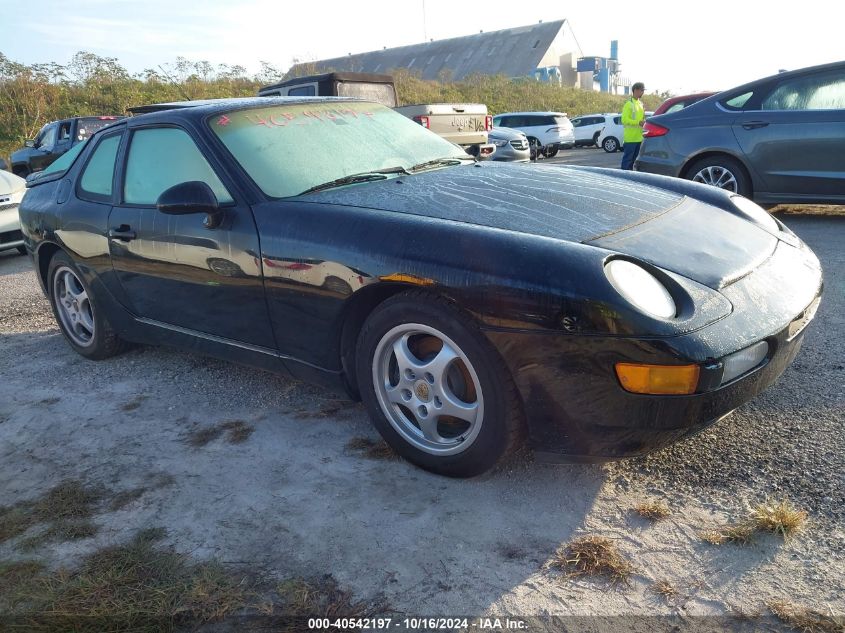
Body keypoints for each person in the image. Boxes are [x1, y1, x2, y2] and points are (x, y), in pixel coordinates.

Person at [620, 82, 646, 170]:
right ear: (636, 90)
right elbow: (624, 120)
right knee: (627, 161)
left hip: (639, 138)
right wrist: (638, 122)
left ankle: (630, 179)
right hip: (630, 138)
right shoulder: (628, 104)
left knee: (634, 161)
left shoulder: (641, 104)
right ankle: (623, 179)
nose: (643, 92)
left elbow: (642, 119)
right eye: (642, 90)